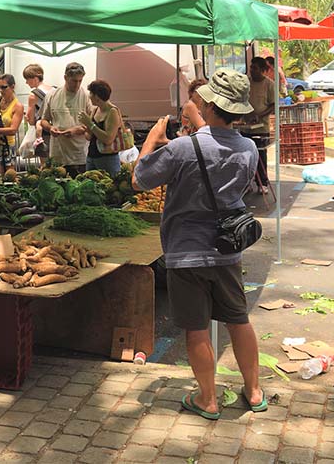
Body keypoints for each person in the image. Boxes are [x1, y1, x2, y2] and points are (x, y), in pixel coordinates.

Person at [132, 69, 265, 420]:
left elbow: (139, 179)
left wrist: (152, 139)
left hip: (186, 252)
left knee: (196, 327)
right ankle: (254, 391)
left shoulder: (183, 147)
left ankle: (208, 399)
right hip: (227, 249)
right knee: (239, 319)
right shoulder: (249, 148)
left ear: (209, 105)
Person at [39, 62, 91, 177]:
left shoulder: (87, 96)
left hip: (80, 156)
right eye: (74, 81)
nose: (77, 84)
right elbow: (43, 120)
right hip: (58, 154)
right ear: (65, 78)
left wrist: (79, 130)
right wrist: (50, 128)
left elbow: (93, 124)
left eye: (80, 81)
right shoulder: (52, 95)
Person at [239, 57, 275, 194]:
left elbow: (273, 105)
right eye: (251, 68)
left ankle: (262, 183)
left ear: (262, 70)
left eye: (255, 68)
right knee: (245, 156)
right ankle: (247, 182)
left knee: (260, 155)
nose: (251, 71)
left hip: (261, 127)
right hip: (245, 127)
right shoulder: (246, 83)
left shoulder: (269, 84)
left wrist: (259, 116)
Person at [77, 79, 121, 176]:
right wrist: (85, 127)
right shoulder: (95, 110)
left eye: (91, 93)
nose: (89, 96)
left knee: (109, 183)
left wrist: (90, 124)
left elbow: (108, 139)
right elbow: (89, 136)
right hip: (91, 156)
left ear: (97, 96)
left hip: (107, 159)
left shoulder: (112, 112)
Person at [22, 64, 55, 162]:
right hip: (57, 131)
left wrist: (27, 117)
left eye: (27, 79)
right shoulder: (55, 90)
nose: (26, 82)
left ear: (35, 78)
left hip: (44, 133)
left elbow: (31, 121)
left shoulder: (33, 95)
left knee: (45, 165)